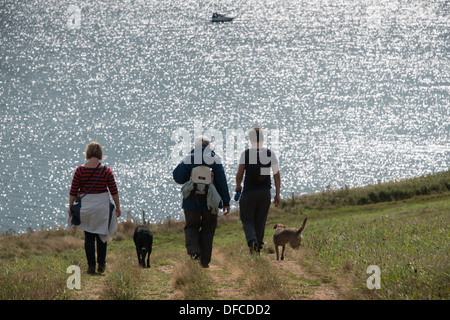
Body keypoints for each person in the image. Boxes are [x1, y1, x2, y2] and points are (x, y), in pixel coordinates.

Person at [173, 135, 230, 268]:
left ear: (195, 146)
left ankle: (194, 252)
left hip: (191, 202)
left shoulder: (189, 158)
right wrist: (226, 202)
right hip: (211, 203)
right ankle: (204, 261)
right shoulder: (215, 159)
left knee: (191, 227)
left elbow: (178, 177)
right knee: (208, 229)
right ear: (209, 145)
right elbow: (222, 182)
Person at [68, 142, 121, 274]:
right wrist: (118, 207)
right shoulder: (106, 170)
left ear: (88, 153)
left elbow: (73, 191)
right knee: (102, 235)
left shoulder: (80, 170)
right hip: (102, 207)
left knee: (89, 237)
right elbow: (114, 191)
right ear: (100, 153)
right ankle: (101, 265)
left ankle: (91, 266)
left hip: (86, 207)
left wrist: (70, 207)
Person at [235, 127, 280, 254]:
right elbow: (277, 175)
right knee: (261, 220)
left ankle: (252, 241)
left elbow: (240, 173)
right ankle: (258, 246)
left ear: (250, 140)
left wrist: (238, 185)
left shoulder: (246, 154)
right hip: (264, 192)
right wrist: (277, 194)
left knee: (247, 220)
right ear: (263, 138)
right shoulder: (269, 153)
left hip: (249, 192)